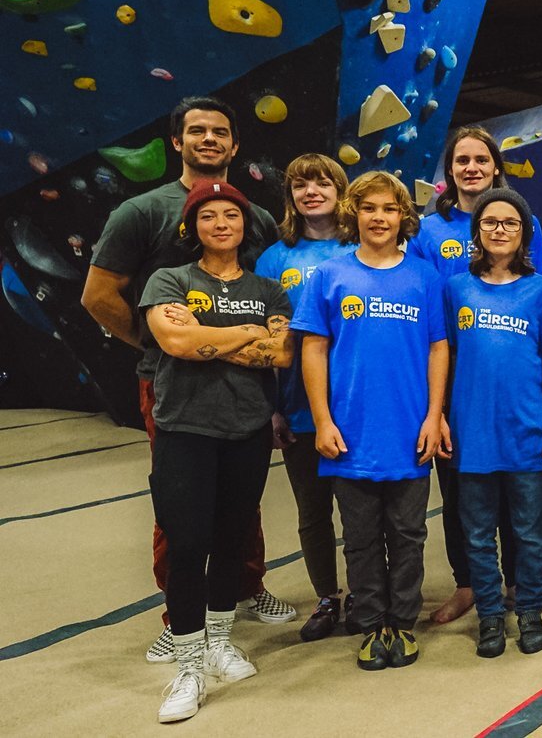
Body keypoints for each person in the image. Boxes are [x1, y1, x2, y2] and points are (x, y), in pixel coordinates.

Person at [82, 96, 294, 664]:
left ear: (235, 144)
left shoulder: (257, 217)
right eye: (196, 131)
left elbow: (276, 325)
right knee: (180, 507)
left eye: (219, 132)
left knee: (240, 500)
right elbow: (98, 296)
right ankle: (180, 618)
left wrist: (235, 342)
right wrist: (160, 345)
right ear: (176, 141)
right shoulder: (142, 211)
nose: (208, 140)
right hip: (170, 381)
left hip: (247, 386)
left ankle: (245, 590)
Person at [141, 180, 293, 722]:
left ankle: (221, 639)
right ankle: (188, 663)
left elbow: (279, 353)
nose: (221, 224)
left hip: (246, 431)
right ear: (193, 227)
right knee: (187, 545)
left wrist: (212, 337)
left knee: (232, 538)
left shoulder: (269, 290)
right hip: (186, 430)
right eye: (209, 216)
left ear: (245, 224)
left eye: (231, 214)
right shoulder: (171, 279)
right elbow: (176, 343)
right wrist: (243, 332)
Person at [293, 171, 448, 670]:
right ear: (352, 214)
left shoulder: (424, 277)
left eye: (388, 209)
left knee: (408, 534)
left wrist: (433, 416)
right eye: (369, 208)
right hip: (350, 434)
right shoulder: (330, 275)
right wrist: (322, 420)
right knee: (359, 538)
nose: (378, 218)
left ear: (404, 217)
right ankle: (370, 623)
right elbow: (313, 350)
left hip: (408, 432)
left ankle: (402, 624)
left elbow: (438, 348)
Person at [407, 126, 542, 625]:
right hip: (455, 381)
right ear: (450, 171)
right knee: (462, 496)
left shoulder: (519, 223)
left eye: (481, 160)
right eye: (461, 160)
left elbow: (541, 310)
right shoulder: (429, 233)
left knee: (518, 497)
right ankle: (469, 585)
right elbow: (424, 304)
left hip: (509, 387)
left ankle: (519, 586)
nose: (471, 168)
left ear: (496, 168)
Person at [445, 188, 542, 658]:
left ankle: (529, 611)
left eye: (510, 223)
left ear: (524, 234)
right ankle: (489, 616)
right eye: (490, 222)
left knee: (528, 532)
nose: (500, 230)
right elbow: (442, 357)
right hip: (470, 434)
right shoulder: (456, 288)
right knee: (477, 533)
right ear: (477, 231)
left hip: (525, 434)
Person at [251, 154, 357, 641]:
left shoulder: (364, 248)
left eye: (322, 182)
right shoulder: (275, 259)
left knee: (360, 511)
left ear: (340, 189)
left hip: (360, 404)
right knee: (312, 512)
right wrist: (272, 405)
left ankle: (362, 592)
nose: (312, 191)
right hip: (297, 406)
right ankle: (327, 598)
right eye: (300, 184)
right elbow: (260, 339)